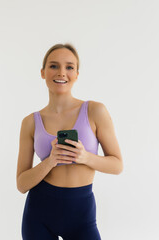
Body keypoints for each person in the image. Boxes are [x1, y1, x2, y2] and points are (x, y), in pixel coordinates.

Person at [16, 43, 123, 240]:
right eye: (54, 66)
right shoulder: (30, 122)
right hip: (39, 214)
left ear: (77, 74)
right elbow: (22, 184)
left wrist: (85, 157)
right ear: (43, 72)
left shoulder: (95, 111)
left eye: (69, 67)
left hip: (81, 216)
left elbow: (117, 165)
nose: (62, 72)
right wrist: (50, 160)